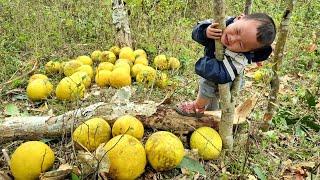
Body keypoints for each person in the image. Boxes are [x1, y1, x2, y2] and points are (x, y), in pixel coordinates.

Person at [175, 13, 276, 117]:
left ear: (249, 51)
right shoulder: (223, 22)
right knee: (212, 99)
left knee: (209, 84)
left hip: (228, 77)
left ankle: (198, 107)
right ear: (239, 18)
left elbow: (220, 74)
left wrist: (203, 64)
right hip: (214, 63)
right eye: (237, 31)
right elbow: (196, 29)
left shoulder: (241, 58)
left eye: (241, 44)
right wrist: (205, 31)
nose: (233, 39)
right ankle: (209, 113)